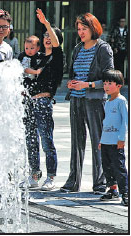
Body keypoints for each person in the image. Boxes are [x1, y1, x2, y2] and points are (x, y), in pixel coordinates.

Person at [60, 13, 114, 194]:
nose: (81, 32)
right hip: (76, 99)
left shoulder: (103, 49)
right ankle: (73, 181)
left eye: (84, 29)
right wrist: (72, 83)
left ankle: (100, 183)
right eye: (79, 29)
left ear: (93, 28)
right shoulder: (77, 48)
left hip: (95, 101)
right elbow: (75, 74)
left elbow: (109, 79)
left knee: (97, 141)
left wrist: (87, 85)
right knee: (76, 142)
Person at [20, 8, 64, 191]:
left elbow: (55, 44)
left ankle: (51, 176)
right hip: (29, 102)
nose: (47, 38)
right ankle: (34, 174)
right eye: (44, 35)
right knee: (31, 141)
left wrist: (46, 22)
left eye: (50, 35)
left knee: (46, 141)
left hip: (44, 102)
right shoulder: (36, 56)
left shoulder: (57, 57)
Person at [98, 70, 128, 206]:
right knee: (107, 167)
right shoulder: (108, 102)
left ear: (119, 85)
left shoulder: (121, 101)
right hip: (106, 141)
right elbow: (106, 122)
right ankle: (112, 189)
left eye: (110, 83)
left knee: (119, 167)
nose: (106, 86)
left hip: (116, 142)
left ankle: (125, 192)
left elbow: (125, 121)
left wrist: (122, 139)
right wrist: (101, 140)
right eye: (105, 83)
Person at [109, 17, 128, 82]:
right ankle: (116, 78)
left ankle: (122, 78)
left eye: (124, 21)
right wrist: (114, 47)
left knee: (123, 64)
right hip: (117, 49)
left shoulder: (127, 30)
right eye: (121, 21)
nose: (122, 23)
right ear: (119, 22)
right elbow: (112, 39)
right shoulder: (115, 30)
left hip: (125, 49)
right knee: (117, 63)